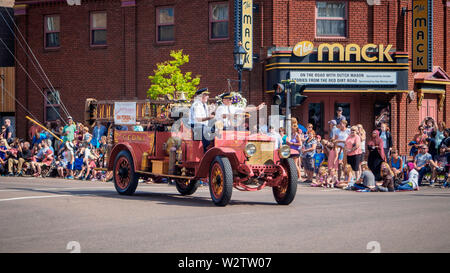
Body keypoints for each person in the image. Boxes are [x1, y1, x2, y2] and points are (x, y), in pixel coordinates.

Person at [189, 88, 215, 152]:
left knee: (216, 127)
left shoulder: (204, 105)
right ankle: (207, 148)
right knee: (204, 129)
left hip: (203, 125)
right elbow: (198, 119)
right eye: (205, 95)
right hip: (195, 126)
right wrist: (209, 117)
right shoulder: (197, 105)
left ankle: (214, 145)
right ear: (200, 96)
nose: (207, 97)